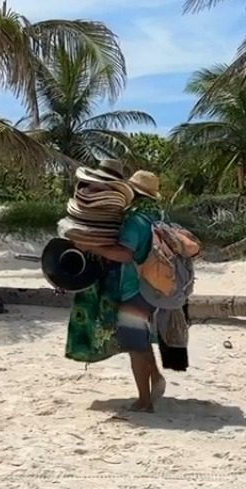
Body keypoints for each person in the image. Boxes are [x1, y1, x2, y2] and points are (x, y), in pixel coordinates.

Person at [77, 170, 166, 413]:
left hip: (134, 289)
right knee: (141, 339)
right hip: (152, 287)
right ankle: (156, 377)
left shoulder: (135, 220)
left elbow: (125, 254)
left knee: (135, 347)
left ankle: (144, 401)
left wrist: (93, 247)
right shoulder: (157, 215)